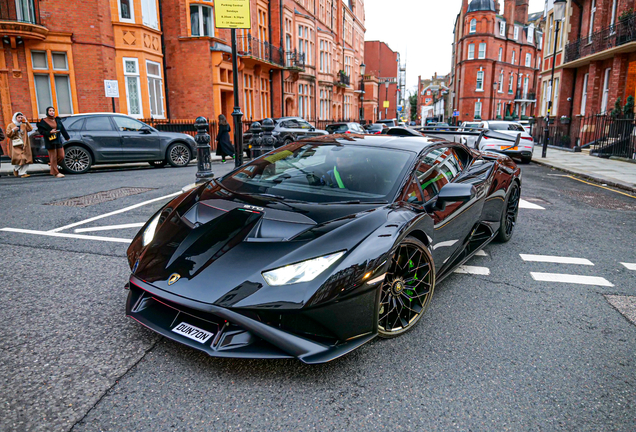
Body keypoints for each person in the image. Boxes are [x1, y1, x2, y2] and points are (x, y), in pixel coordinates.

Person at [37, 106, 70, 178]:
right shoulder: (43, 121)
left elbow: (62, 129)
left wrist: (67, 137)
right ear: (47, 112)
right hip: (50, 140)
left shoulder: (57, 120)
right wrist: (49, 132)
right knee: (53, 157)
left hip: (57, 140)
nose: (52, 112)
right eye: (50, 111)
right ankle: (56, 173)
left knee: (61, 155)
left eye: (53, 111)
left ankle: (52, 164)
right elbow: (41, 131)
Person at [6, 112, 33, 178]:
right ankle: (16, 169)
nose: (20, 119)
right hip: (16, 144)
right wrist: (13, 130)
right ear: (15, 118)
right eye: (19, 117)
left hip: (24, 144)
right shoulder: (11, 125)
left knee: (27, 159)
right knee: (20, 158)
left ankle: (22, 173)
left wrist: (26, 121)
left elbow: (30, 129)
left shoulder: (23, 125)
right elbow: (8, 134)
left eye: (21, 117)